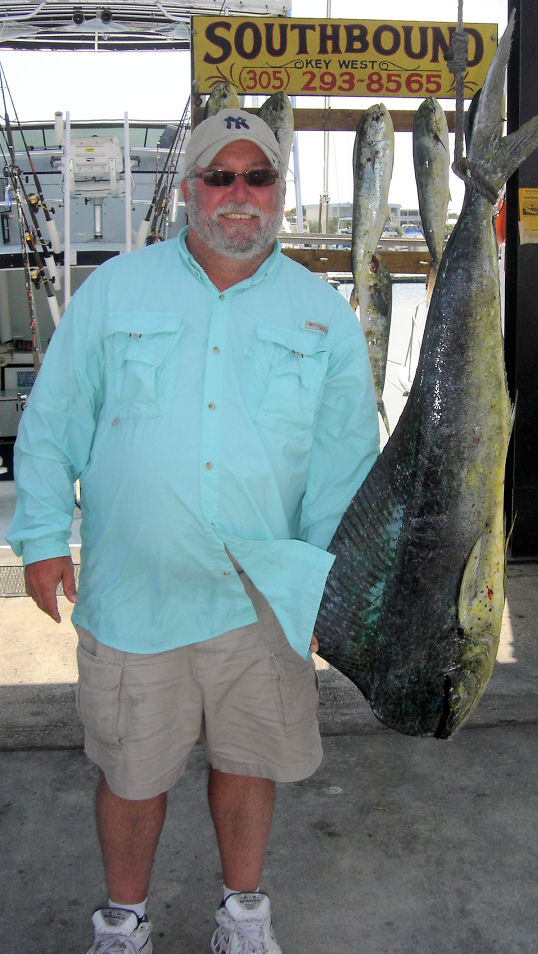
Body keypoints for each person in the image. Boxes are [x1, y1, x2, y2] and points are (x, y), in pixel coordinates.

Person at [8, 108, 380, 954]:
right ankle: (124, 922)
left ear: (281, 193)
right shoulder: (115, 290)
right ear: (189, 191)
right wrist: (37, 538)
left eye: (259, 176)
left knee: (249, 763)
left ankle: (243, 915)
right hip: (137, 590)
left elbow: (343, 467)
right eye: (221, 176)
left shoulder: (322, 315)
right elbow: (55, 417)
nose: (240, 194)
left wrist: (330, 587)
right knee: (132, 772)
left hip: (265, 593)